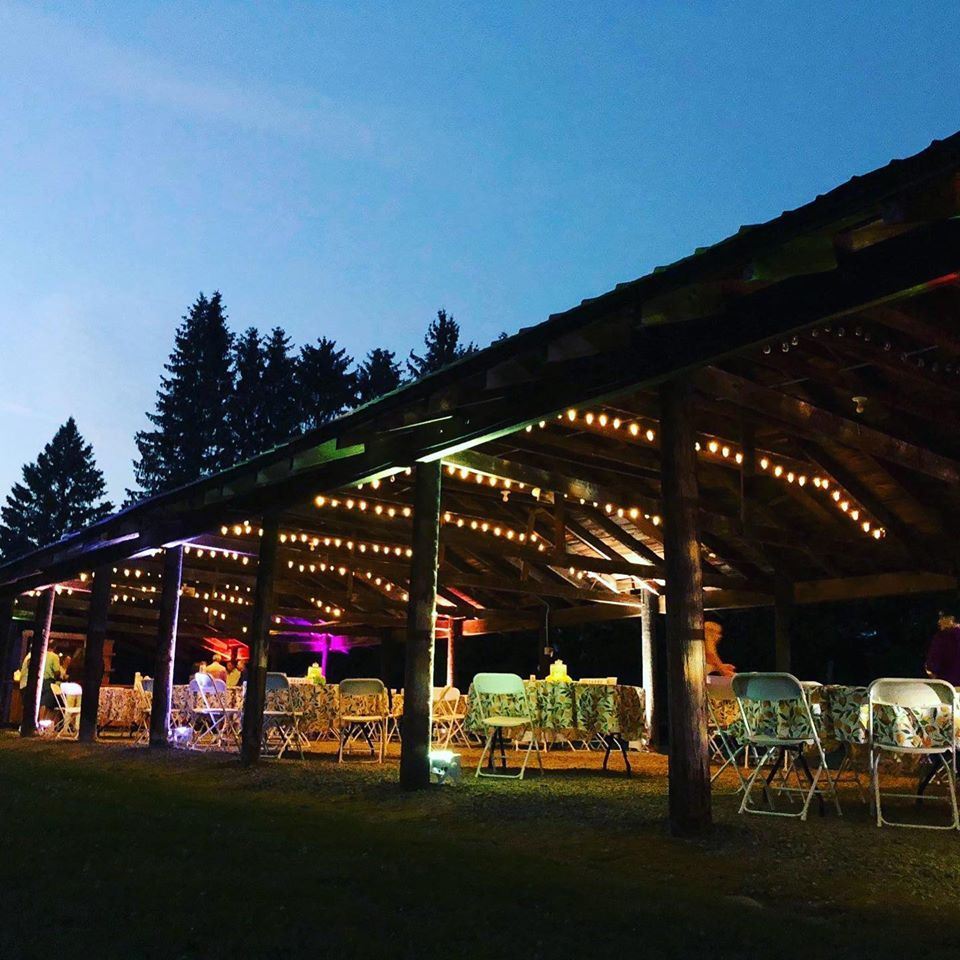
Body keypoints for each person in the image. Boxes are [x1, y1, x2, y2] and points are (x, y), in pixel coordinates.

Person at [925, 610, 960, 686]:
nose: (939, 622)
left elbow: (932, 666)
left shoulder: (942, 637)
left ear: (951, 619)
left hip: (948, 687)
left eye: (942, 618)